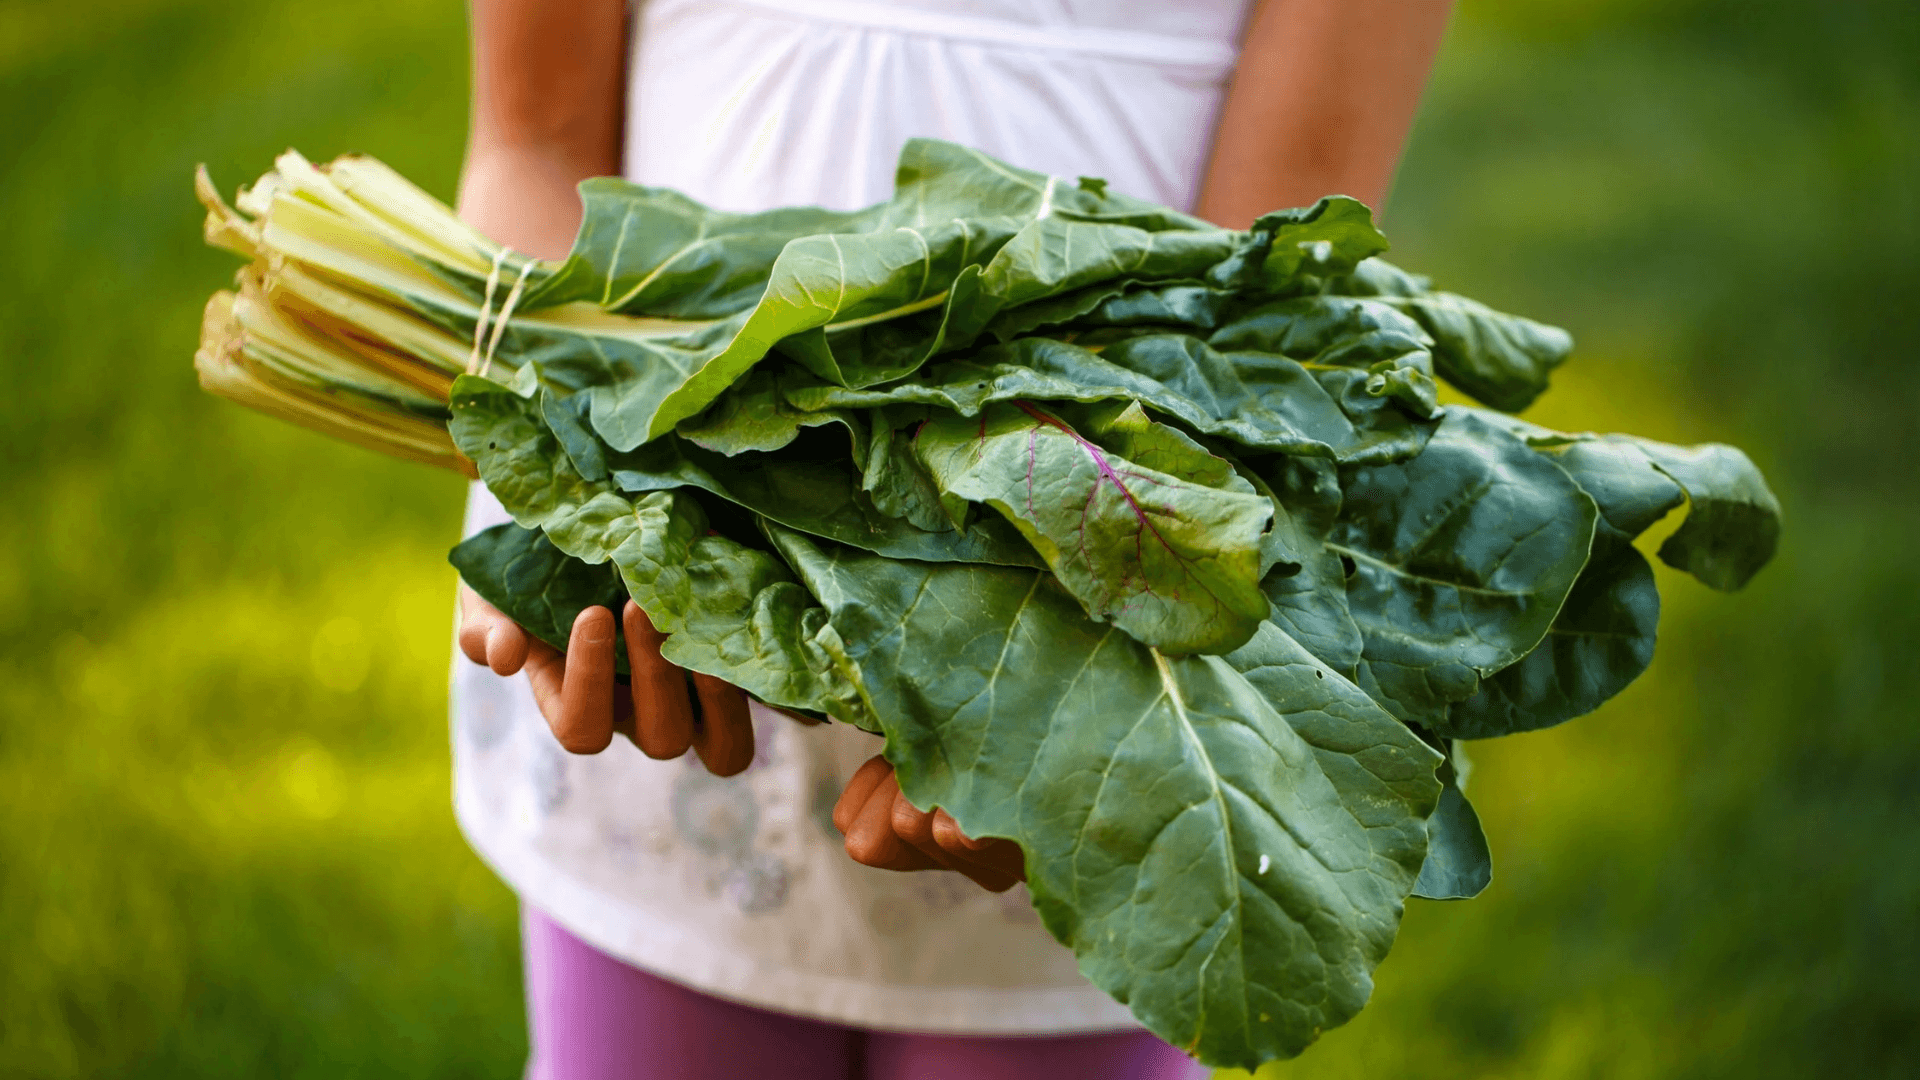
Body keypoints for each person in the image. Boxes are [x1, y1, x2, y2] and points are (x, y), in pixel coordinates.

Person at [451, 1, 1453, 1076]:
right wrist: (548, 490)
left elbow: (1252, 317)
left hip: (1083, 664)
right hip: (668, 623)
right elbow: (534, 146)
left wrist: (1081, 713)